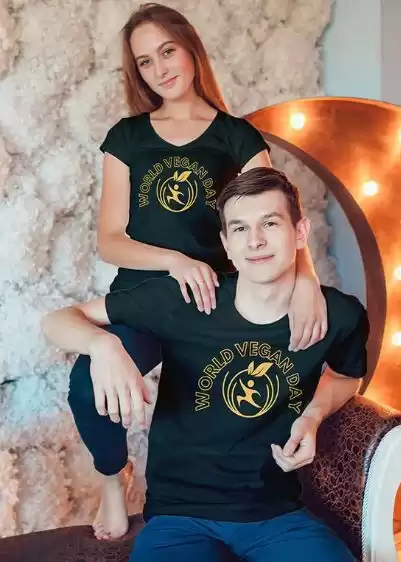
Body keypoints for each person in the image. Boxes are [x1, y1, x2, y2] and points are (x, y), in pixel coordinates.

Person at [67, 2, 328, 540]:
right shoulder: (127, 137)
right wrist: (174, 260)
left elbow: (279, 212)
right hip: (145, 296)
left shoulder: (236, 136)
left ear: (190, 49)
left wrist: (307, 282)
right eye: (145, 62)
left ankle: (238, 515)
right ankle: (114, 479)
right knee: (86, 388)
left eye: (167, 51)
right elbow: (109, 240)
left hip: (215, 301)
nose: (159, 68)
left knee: (223, 403)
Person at [43, 167, 369, 561]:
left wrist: (313, 416)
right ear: (226, 244)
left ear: (300, 233)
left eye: (270, 223)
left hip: (278, 514)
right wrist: (103, 345)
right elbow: (58, 319)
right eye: (240, 229)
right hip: (179, 516)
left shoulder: (341, 315)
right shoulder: (189, 299)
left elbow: (346, 376)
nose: (255, 240)